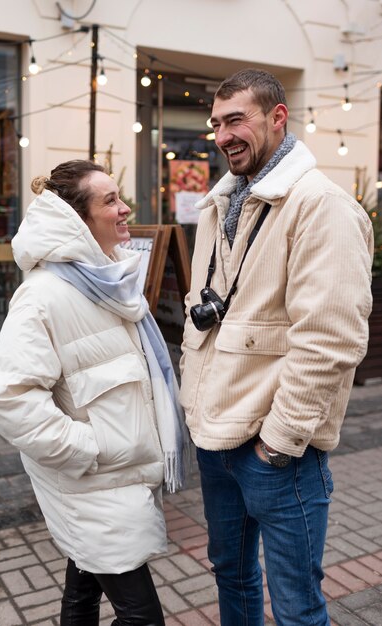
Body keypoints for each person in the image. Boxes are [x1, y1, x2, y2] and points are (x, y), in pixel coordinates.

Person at [179, 69, 374, 626]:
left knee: (295, 604)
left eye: (235, 119)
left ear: (277, 117)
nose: (222, 135)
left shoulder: (322, 205)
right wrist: (196, 411)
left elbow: (331, 339)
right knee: (232, 575)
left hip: (276, 452)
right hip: (216, 438)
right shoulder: (222, 202)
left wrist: (281, 442)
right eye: (216, 123)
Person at [0, 159, 188, 626]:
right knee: (142, 618)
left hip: (114, 481)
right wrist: (90, 449)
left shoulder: (110, 282)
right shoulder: (44, 296)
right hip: (94, 480)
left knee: (83, 587)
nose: (125, 209)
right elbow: (11, 401)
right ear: (77, 219)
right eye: (110, 201)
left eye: (121, 198)